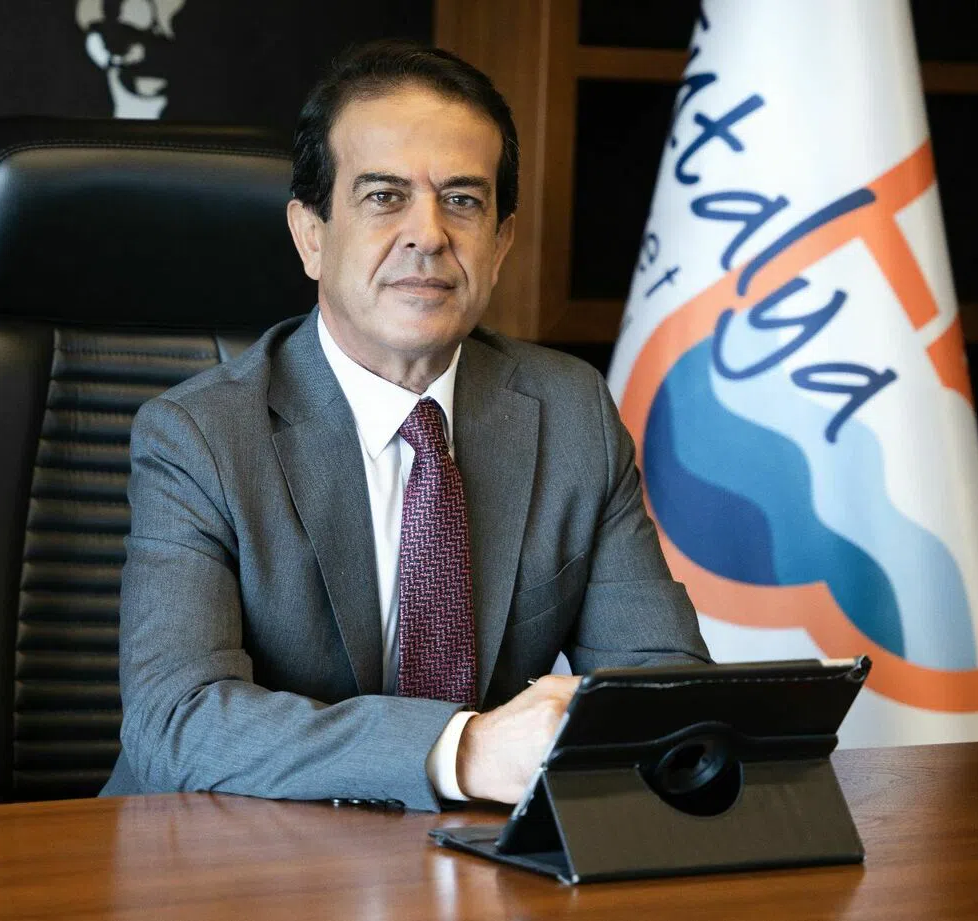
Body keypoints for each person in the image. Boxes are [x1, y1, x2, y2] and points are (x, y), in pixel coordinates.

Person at [101, 40, 709, 810]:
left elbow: (662, 693)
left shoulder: (570, 411)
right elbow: (176, 720)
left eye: (463, 200)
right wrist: (460, 749)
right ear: (311, 235)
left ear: (501, 243)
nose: (429, 234)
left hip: (476, 855)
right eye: (385, 196)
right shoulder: (201, 436)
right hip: (233, 851)